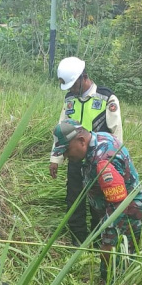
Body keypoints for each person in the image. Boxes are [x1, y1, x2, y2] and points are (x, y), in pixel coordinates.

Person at [52, 118, 142, 283]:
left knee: (118, 268)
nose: (66, 156)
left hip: (129, 217)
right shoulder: (99, 138)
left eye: (67, 150)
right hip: (117, 210)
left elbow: (117, 206)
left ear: (81, 140)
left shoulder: (103, 161)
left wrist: (108, 242)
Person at [49, 56, 123, 245]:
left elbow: (117, 133)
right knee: (73, 199)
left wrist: (115, 161)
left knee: (98, 202)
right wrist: (55, 158)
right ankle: (77, 241)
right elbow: (62, 129)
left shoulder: (107, 98)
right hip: (75, 159)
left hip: (99, 160)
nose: (72, 90)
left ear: (84, 77)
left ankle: (98, 241)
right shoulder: (70, 100)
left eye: (74, 85)